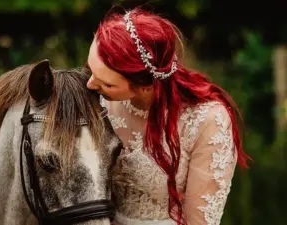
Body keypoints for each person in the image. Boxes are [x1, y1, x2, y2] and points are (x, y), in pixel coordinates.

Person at [85, 7, 251, 225]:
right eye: (90, 70)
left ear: (145, 86)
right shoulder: (94, 100)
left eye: (107, 83)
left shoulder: (206, 121)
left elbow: (198, 221)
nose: (89, 84)